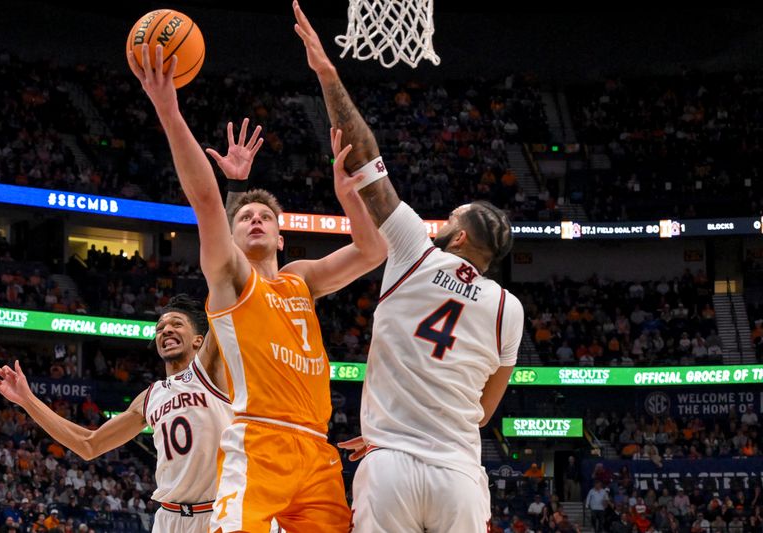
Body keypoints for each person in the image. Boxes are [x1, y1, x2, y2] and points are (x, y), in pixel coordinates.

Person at [127, 39, 387, 533]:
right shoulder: (232, 281)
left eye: (265, 215)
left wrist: (348, 197)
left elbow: (372, 251)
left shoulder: (300, 278)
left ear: (281, 235)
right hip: (260, 441)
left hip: (316, 450)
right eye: (245, 216)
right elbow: (205, 202)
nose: (255, 220)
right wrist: (168, 108)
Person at [293, 3, 523, 532]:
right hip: (458, 475)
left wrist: (328, 76)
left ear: (458, 236)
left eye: (455, 216)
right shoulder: (509, 309)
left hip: (389, 465)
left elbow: (365, 158)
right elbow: (483, 412)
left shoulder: (415, 249)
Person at [0, 295, 232, 533]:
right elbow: (89, 445)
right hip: (168, 519)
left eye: (177, 324)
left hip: (218, 514)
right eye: (160, 328)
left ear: (199, 340)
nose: (166, 330)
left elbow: (226, 292)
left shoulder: (211, 371)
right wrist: (27, 400)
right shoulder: (149, 398)